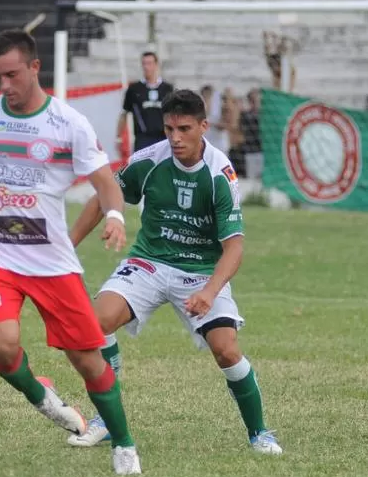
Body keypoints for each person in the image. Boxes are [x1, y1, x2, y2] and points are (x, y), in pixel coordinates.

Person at [0, 28, 141, 475]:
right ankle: (44, 398)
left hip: (51, 261)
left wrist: (114, 217)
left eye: (12, 75)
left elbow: (106, 184)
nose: (4, 86)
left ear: (35, 68)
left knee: (88, 361)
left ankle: (125, 445)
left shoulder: (68, 124)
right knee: (2, 342)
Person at [66, 89, 282, 455]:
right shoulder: (149, 161)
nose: (175, 138)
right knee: (94, 323)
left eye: (184, 129)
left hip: (199, 272)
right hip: (149, 262)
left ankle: (259, 432)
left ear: (203, 126)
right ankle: (106, 415)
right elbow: (104, 195)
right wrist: (66, 249)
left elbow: (235, 248)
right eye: (169, 129)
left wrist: (210, 292)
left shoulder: (219, 175)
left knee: (227, 351)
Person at [118, 52, 174, 157]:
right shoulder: (134, 89)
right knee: (142, 171)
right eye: (144, 63)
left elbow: (174, 113)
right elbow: (124, 113)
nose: (146, 67)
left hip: (163, 137)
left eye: (149, 63)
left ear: (156, 65)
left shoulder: (168, 89)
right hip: (142, 139)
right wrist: (119, 138)